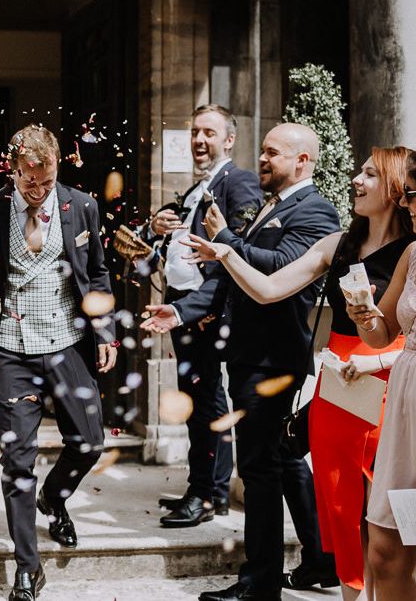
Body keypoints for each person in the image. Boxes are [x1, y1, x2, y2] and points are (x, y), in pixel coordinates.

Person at [187, 147, 416, 599]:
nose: (355, 179)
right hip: (339, 391)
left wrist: (378, 359)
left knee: (399, 527)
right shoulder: (339, 244)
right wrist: (227, 254)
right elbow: (271, 289)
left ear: (394, 189)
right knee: (344, 514)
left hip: (398, 390)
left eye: (368, 174)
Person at [142, 123, 340, 601]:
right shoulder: (271, 206)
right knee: (280, 460)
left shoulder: (316, 211)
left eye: (273, 153)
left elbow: (275, 271)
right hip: (250, 353)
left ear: (303, 161)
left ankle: (260, 582)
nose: (263, 159)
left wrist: (227, 238)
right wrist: (182, 310)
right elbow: (231, 278)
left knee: (258, 470)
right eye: (264, 151)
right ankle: (319, 560)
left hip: (274, 357)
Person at [0, 124, 116, 601]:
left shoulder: (84, 207)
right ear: (12, 170)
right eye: (28, 180)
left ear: (57, 165)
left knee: (89, 442)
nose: (38, 189)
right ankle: (27, 569)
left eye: (47, 178)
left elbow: (96, 273)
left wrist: (105, 331)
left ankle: (53, 498)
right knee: (17, 460)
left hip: (68, 343)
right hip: (12, 348)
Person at [143, 105, 261, 528]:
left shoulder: (239, 182)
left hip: (206, 313)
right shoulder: (197, 189)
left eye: (209, 133)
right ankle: (205, 489)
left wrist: (191, 310)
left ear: (229, 139)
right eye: (195, 132)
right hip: (187, 314)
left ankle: (207, 494)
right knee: (200, 402)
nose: (199, 140)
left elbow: (238, 253)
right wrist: (156, 230)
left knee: (207, 403)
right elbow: (177, 250)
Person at [347, 147, 416, 601]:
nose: (404, 203)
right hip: (405, 417)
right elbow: (383, 335)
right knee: (388, 550)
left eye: (413, 194)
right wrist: (364, 315)